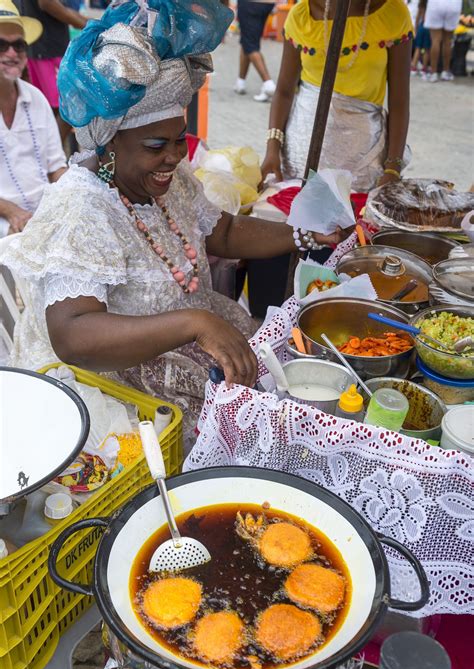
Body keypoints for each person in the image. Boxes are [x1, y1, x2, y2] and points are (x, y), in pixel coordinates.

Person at [0, 5, 346, 443]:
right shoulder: (81, 207)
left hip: (183, 348)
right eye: (155, 145)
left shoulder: (165, 180)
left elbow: (220, 231)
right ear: (109, 143)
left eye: (179, 137)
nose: (175, 156)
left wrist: (299, 235)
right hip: (114, 390)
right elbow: (72, 335)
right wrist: (193, 323)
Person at [260, 0, 414, 192]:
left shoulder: (393, 13)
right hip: (299, 159)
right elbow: (283, 92)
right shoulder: (300, 15)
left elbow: (399, 102)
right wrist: (273, 148)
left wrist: (393, 168)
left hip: (362, 165)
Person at [0, 0, 66, 237]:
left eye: (19, 45)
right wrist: (10, 211)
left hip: (43, 214)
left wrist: (75, 192)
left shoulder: (36, 98)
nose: (12, 53)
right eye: (2, 45)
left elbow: (56, 166)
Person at [14, 0, 87, 141]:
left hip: (42, 48)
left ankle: (47, 155)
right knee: (66, 107)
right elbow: (47, 3)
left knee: (51, 109)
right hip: (47, 49)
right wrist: (88, 25)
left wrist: (90, 23)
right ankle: (50, 157)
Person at [234, 0, 276, 102]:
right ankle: (240, 82)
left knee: (251, 45)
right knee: (247, 40)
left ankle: (268, 84)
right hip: (268, 4)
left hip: (250, 3)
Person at [422, 0, 462, 81]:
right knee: (448, 41)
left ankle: (433, 73)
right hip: (454, 4)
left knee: (435, 40)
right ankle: (445, 72)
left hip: (436, 4)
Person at [411, 0, 431, 75]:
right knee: (427, 49)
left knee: (418, 48)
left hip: (421, 27)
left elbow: (417, 18)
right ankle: (424, 68)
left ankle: (413, 66)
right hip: (428, 27)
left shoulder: (421, 5)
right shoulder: (431, 5)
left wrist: (415, 29)